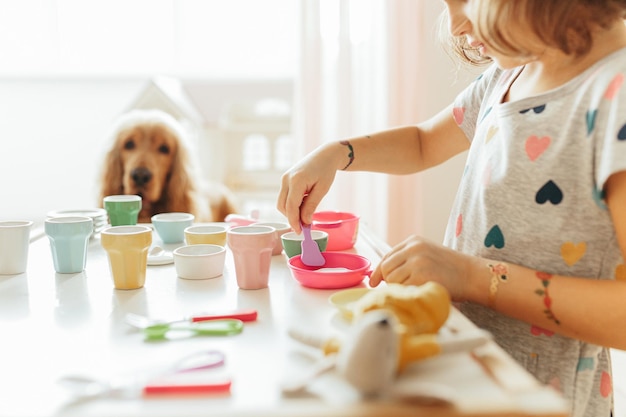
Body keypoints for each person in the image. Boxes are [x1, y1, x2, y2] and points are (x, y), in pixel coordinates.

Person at [276, 1, 626, 416]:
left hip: (542, 399)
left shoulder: (615, 92)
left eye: (468, 1)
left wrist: (471, 276)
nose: (457, 25)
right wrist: (339, 153)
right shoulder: (512, 70)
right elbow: (424, 142)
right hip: (469, 377)